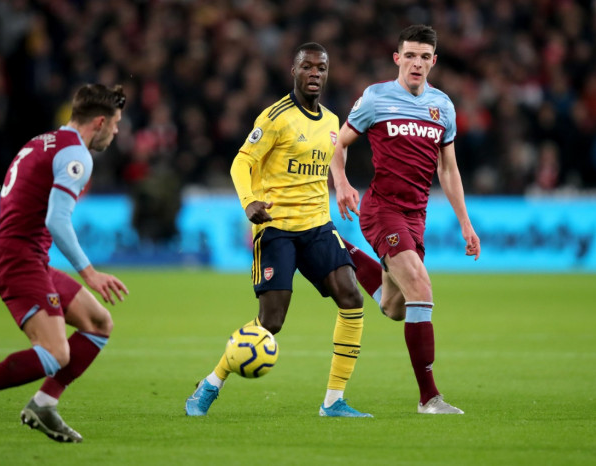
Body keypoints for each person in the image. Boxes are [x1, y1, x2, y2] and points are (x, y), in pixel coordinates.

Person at [185, 42, 372, 418]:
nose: (315, 73)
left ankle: (333, 401)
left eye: (321, 67)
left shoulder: (332, 121)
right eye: (307, 67)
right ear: (294, 71)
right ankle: (211, 383)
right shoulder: (275, 117)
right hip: (276, 229)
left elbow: (333, 158)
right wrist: (248, 202)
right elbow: (241, 162)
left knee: (352, 298)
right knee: (272, 322)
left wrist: (342, 183)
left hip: (317, 226)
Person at [0, 83, 129, 445]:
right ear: (100, 122)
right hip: (20, 258)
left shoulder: (40, 142)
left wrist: (1, 258)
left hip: (19, 256)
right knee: (56, 352)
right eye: (116, 124)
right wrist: (89, 273)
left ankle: (44, 404)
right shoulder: (77, 155)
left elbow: (20, 200)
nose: (117, 132)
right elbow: (57, 219)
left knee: (99, 323)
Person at [330, 24, 481, 414]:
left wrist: (465, 223)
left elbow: (448, 169)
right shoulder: (376, 98)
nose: (417, 63)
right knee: (421, 286)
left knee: (395, 308)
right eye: (410, 55)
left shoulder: (442, 107)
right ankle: (429, 397)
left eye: (424, 57)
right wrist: (342, 183)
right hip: (382, 210)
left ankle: (336, 247)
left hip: (416, 216)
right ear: (397, 58)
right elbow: (338, 143)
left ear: (434, 61)